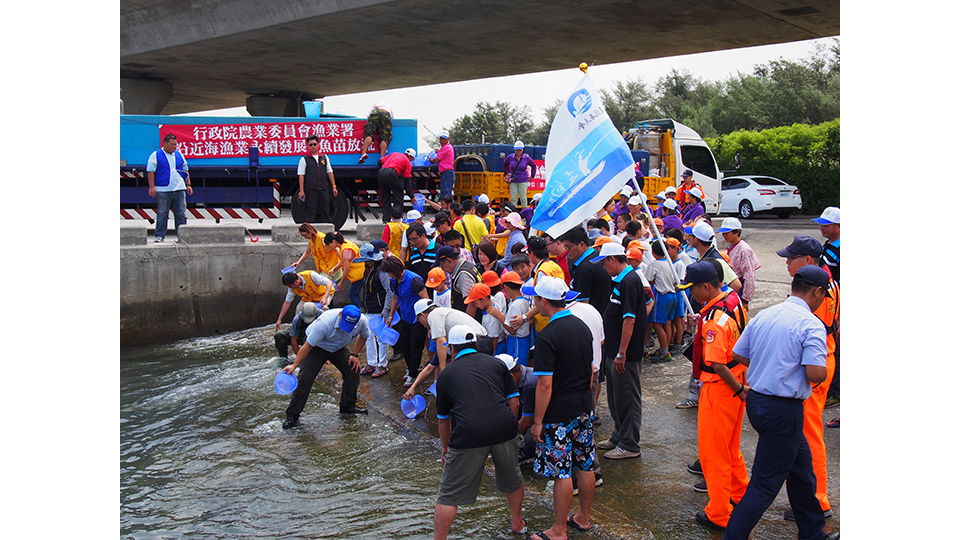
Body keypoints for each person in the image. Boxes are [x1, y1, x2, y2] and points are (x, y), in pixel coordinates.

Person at [721, 266, 838, 540]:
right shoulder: (810, 323)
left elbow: (740, 354)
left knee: (802, 473)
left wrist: (771, 366)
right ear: (818, 291)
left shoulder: (766, 314)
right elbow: (814, 372)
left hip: (760, 404)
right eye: (824, 295)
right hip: (784, 410)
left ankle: (812, 532)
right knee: (763, 487)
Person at [432, 325, 526, 539]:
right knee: (513, 479)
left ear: (453, 349)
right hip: (504, 428)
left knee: (448, 494)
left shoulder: (446, 375)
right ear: (474, 344)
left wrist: (445, 447)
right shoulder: (497, 364)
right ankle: (517, 523)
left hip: (468, 434)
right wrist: (510, 426)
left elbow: (443, 420)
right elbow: (514, 401)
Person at [676, 261, 750, 530]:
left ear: (706, 287)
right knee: (730, 447)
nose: (691, 294)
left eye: (692, 289)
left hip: (721, 388)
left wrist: (739, 390)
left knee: (713, 454)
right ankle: (740, 495)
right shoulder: (732, 301)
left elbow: (718, 363)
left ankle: (719, 513)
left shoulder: (714, 322)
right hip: (735, 383)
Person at [525, 276, 596, 540]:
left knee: (561, 470)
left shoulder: (548, 336)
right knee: (586, 464)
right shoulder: (581, 326)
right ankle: (583, 518)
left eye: (536, 298)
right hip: (583, 405)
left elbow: (545, 384)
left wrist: (537, 421)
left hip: (559, 412)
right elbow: (590, 370)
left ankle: (558, 530)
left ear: (543, 301)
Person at [776, 236, 840, 522]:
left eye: (793, 258)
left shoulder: (819, 290)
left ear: (809, 261)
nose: (787, 262)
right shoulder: (825, 284)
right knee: (807, 432)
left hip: (815, 362)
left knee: (810, 433)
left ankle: (817, 500)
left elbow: (811, 329)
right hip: (820, 357)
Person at [591, 242, 651, 460]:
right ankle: (619, 435)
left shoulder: (630, 281)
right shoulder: (619, 280)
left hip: (624, 353)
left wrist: (622, 352)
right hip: (614, 348)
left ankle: (630, 443)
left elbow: (630, 318)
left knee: (628, 397)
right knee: (616, 396)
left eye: (604, 263)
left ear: (612, 260)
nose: (603, 268)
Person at [280, 305, 370, 429]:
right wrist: (294, 365)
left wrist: (354, 354)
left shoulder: (362, 321)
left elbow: (364, 336)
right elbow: (307, 346)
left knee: (353, 370)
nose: (347, 329)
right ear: (340, 315)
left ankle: (348, 406)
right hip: (317, 347)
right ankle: (292, 415)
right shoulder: (324, 324)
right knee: (305, 379)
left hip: (338, 348)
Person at [403, 300, 489, 395]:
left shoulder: (433, 315)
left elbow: (441, 342)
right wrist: (413, 387)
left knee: (473, 382)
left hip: (475, 343)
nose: (422, 324)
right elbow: (430, 367)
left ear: (423, 315)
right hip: (481, 342)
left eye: (419, 320)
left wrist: (443, 369)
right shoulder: (441, 314)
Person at [381, 256, 430, 388]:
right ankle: (410, 368)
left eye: (389, 272)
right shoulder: (394, 281)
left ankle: (414, 373)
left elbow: (426, 300)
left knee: (415, 347)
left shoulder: (414, 280)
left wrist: (426, 321)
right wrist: (390, 316)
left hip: (417, 320)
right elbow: (395, 298)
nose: (389, 275)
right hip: (405, 318)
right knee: (404, 345)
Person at [812, 207, 841, 414]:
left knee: (835, 349)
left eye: (826, 224)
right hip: (827, 301)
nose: (821, 228)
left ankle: (836, 392)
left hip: (836, 303)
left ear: (838, 226)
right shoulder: (828, 244)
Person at [355, 241, 394, 377]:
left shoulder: (381, 270)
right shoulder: (371, 269)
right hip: (370, 308)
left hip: (379, 309)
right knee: (368, 336)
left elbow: (389, 291)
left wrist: (386, 309)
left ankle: (382, 364)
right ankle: (371, 362)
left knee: (381, 338)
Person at [146, 134, 192, 242]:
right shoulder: (156, 155)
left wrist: (188, 185)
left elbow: (185, 170)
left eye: (175, 144)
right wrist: (151, 187)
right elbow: (151, 171)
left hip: (179, 188)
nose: (174, 147)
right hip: (163, 189)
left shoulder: (179, 155)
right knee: (162, 213)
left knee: (181, 213)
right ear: (165, 143)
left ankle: (182, 237)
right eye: (172, 144)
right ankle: (159, 236)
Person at [560, 226, 612, 316]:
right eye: (565, 247)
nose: (567, 251)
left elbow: (583, 303)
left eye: (568, 247)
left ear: (581, 244)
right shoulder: (598, 255)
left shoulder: (583, 269)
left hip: (593, 316)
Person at [644, 241, 679, 363]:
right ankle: (666, 347)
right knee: (668, 323)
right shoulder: (670, 263)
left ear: (653, 253)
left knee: (657, 325)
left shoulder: (654, 264)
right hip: (672, 294)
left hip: (662, 296)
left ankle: (664, 350)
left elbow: (649, 280)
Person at [718, 218, 761, 310]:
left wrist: (745, 299)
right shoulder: (731, 246)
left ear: (737, 232)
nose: (724, 235)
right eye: (723, 233)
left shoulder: (743, 250)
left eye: (727, 233)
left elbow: (749, 275)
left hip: (739, 288)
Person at [298, 134, 338, 223]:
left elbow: (329, 172)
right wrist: (301, 191)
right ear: (307, 146)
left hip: (324, 189)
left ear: (318, 145)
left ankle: (327, 233)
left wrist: (334, 186)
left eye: (314, 144)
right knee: (311, 212)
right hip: (311, 190)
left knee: (326, 211)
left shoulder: (324, 157)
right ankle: (309, 232)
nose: (313, 146)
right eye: (310, 145)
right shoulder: (304, 159)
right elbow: (301, 175)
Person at [436, 246, 482, 318]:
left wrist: (466, 324)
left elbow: (472, 302)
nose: (442, 269)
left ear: (448, 260)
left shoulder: (463, 275)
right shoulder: (467, 265)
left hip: (472, 321)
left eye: (442, 265)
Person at [322, 232, 364, 307]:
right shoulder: (346, 244)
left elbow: (346, 268)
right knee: (356, 293)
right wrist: (334, 269)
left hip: (358, 274)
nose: (329, 247)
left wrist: (341, 282)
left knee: (353, 295)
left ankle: (358, 310)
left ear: (333, 241)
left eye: (329, 244)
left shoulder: (345, 250)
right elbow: (344, 261)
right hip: (360, 272)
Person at [377, 148, 416, 222]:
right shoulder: (407, 162)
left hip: (381, 172)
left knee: (385, 196)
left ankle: (386, 219)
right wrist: (411, 196)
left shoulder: (394, 154)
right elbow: (407, 182)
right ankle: (397, 218)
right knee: (399, 193)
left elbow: (379, 162)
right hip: (391, 173)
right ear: (411, 157)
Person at [503, 141, 538, 208]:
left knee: (523, 197)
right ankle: (514, 212)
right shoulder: (510, 157)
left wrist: (532, 176)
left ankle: (524, 212)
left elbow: (533, 166)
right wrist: (506, 174)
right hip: (513, 180)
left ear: (522, 150)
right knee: (513, 198)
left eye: (520, 150)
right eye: (517, 150)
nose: (518, 151)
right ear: (514, 149)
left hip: (523, 180)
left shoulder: (526, 158)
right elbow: (505, 165)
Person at [429, 130, 456, 199]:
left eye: (444, 139)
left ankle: (446, 208)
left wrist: (431, 161)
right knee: (447, 192)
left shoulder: (446, 147)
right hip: (448, 173)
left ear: (448, 139)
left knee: (445, 193)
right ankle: (448, 207)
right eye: (441, 139)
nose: (442, 141)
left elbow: (436, 160)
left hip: (446, 173)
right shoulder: (448, 147)